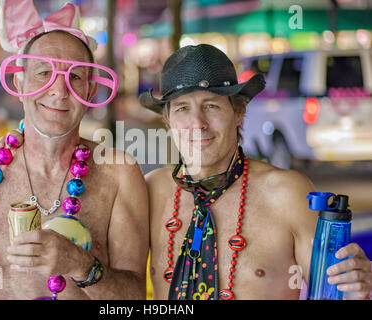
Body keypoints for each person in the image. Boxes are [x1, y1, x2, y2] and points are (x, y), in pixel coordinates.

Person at [0, 1, 148, 300]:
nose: (58, 90)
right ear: (19, 82)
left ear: (90, 91)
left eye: (74, 77)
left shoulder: (120, 174)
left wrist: (80, 264)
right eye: (43, 73)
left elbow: (135, 298)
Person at [139, 44, 372, 300]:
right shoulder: (151, 191)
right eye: (183, 108)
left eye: (211, 106)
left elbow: (332, 293)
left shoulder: (286, 193)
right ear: (168, 120)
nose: (197, 123)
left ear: (238, 112)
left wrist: (358, 287)